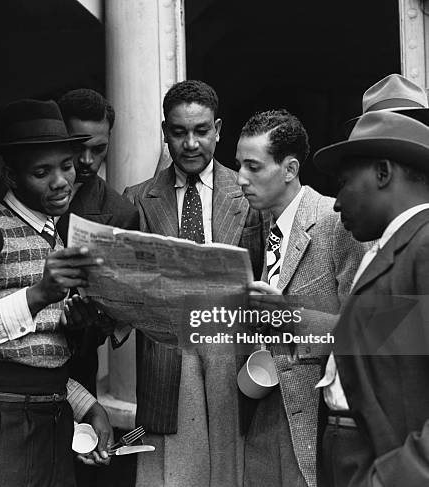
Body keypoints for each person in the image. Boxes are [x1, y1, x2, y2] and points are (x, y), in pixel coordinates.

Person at [0, 99, 113, 487]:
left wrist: (86, 405)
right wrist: (37, 295)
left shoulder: (56, 233)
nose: (61, 181)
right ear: (12, 177)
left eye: (65, 166)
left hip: (53, 422)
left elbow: (36, 357)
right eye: (41, 172)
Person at [123, 80, 265, 487]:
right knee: (170, 472)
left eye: (201, 131)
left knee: (230, 468)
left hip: (230, 353)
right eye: (179, 132)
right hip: (167, 355)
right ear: (164, 132)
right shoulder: (137, 198)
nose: (190, 144)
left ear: (218, 129)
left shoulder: (248, 191)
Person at [235, 109, 366, 487]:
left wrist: (288, 315)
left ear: (290, 169)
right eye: (239, 165)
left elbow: (367, 332)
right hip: (259, 415)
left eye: (254, 167)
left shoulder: (337, 221)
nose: (241, 179)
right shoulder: (256, 226)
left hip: (312, 422)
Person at [313, 110, 429, 486]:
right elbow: (384, 352)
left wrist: (394, 478)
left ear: (383, 172)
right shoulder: (394, 248)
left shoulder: (425, 246)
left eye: (344, 184)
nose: (335, 202)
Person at [56, 88, 139, 396]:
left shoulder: (120, 213)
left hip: (75, 364)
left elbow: (118, 310)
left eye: (100, 149)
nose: (88, 160)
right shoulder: (16, 184)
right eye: (77, 147)